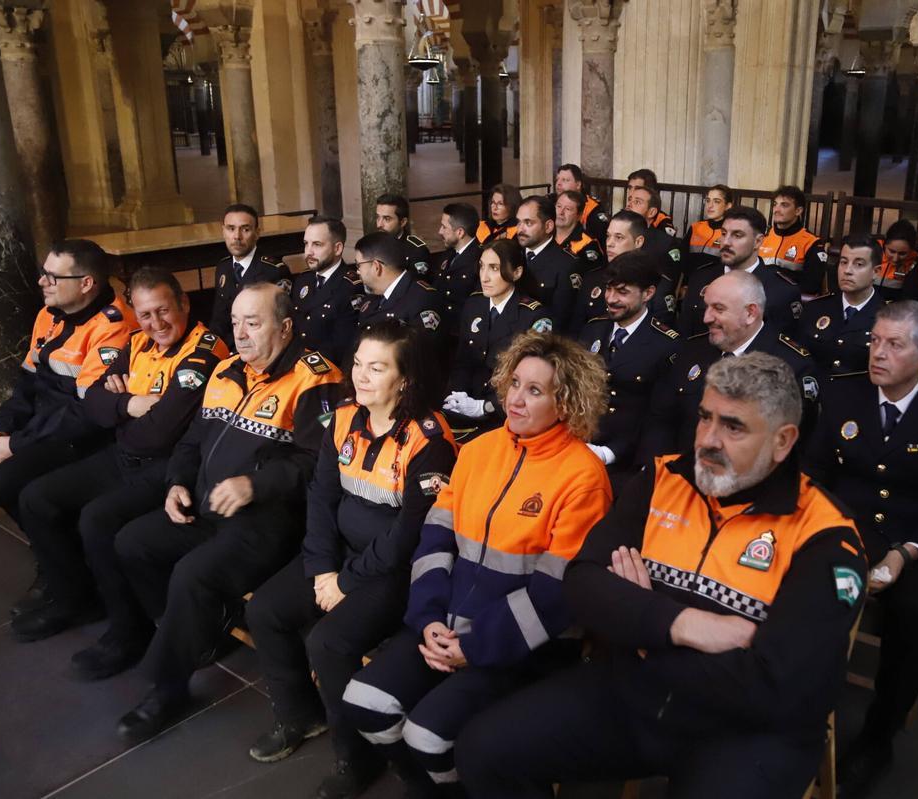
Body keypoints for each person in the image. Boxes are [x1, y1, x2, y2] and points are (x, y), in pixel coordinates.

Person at [456, 352, 867, 799]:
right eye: (705, 418)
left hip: (746, 733)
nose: (708, 440)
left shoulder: (826, 535)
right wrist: (680, 623)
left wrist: (641, 632)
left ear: (783, 441)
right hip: (632, 695)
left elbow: (778, 686)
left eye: (733, 427)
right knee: (483, 751)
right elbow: (583, 584)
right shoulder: (662, 478)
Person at [343, 331, 613, 797]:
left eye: (535, 390)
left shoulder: (584, 477)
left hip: (522, 648)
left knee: (427, 736)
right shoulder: (478, 450)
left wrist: (475, 646)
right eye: (515, 383)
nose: (516, 399)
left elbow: (556, 594)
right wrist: (428, 619)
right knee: (364, 703)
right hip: (445, 627)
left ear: (566, 403)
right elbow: (434, 540)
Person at [113, 282, 343, 743]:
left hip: (270, 522)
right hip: (209, 506)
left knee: (192, 575)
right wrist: (177, 482)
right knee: (132, 543)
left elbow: (318, 465)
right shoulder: (225, 370)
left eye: (253, 323)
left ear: (285, 327)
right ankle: (198, 633)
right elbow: (192, 441)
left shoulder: (315, 379)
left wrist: (255, 485)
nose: (239, 333)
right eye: (236, 322)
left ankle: (168, 687)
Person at [244, 322, 457, 799]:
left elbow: (407, 538)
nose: (360, 376)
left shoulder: (429, 440)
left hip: (396, 572)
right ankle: (299, 715)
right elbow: (321, 499)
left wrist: (344, 582)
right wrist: (323, 568)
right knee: (265, 610)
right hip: (338, 556)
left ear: (405, 379)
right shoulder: (343, 419)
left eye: (377, 368)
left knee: (328, 644)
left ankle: (356, 757)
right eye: (358, 364)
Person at [805, 300, 918, 799]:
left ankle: (879, 735)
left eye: (894, 345)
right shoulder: (842, 392)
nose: (878, 354)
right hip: (847, 525)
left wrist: (906, 553)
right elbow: (815, 473)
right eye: (874, 341)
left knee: (917, 619)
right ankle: (793, 703)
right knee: (795, 589)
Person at [12, 269, 228, 660]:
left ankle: (129, 630)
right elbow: (92, 402)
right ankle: (75, 599)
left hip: (168, 466)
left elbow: (161, 433)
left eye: (163, 310)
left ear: (183, 303)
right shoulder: (137, 342)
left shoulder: (205, 351)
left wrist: (120, 411)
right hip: (124, 454)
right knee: (37, 498)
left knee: (97, 519)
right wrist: (129, 404)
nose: (156, 323)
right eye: (145, 314)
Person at [0, 239, 136, 614]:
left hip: (82, 434)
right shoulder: (49, 314)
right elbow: (27, 382)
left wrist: (18, 445)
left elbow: (86, 412)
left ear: (86, 283)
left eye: (53, 276)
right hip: (39, 426)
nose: (41, 282)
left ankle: (64, 571)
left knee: (8, 478)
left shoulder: (113, 327)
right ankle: (52, 545)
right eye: (43, 273)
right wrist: (5, 428)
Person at [644, 270, 816, 460]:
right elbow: (661, 421)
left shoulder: (792, 366)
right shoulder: (691, 351)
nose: (706, 318)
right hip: (684, 469)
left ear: (750, 313)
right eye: (707, 307)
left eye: (718, 309)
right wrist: (663, 470)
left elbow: (791, 449)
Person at [577, 251, 681, 478]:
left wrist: (611, 452)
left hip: (627, 462)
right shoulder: (593, 329)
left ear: (648, 293)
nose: (611, 298)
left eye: (622, 292)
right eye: (609, 289)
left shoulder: (666, 345)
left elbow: (658, 419)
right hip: (579, 447)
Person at [444, 239, 552, 435]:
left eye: (494, 268)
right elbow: (463, 359)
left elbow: (533, 380)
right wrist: (458, 395)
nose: (484, 277)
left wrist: (486, 406)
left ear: (516, 273)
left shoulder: (533, 316)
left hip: (506, 413)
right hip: (467, 405)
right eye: (482, 266)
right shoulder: (474, 304)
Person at [678, 206, 803, 337]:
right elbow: (684, 334)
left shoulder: (781, 291)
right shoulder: (701, 277)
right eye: (724, 233)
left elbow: (782, 345)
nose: (726, 242)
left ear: (758, 241)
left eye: (737, 235)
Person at [571, 211, 677, 336]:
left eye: (619, 237)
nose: (609, 243)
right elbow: (576, 331)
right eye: (608, 236)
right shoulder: (592, 278)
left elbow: (659, 338)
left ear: (638, 242)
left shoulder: (657, 285)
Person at [799, 234, 889, 377]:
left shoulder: (888, 318)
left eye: (859, 264)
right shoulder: (815, 309)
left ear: (876, 272)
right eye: (843, 262)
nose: (847, 271)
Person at [209, 203, 293, 349]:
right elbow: (219, 320)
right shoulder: (223, 267)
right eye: (231, 229)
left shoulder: (273, 271)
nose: (237, 236)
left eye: (245, 229)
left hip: (258, 348)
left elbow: (277, 326)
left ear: (257, 233)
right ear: (223, 231)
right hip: (226, 347)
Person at [291, 215, 363, 367]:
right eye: (306, 244)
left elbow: (344, 346)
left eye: (317, 245)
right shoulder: (303, 280)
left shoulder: (351, 287)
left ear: (337, 248)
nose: (308, 252)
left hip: (328, 370)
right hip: (297, 365)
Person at [352, 232, 445, 349]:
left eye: (358, 265)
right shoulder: (371, 298)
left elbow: (420, 355)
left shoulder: (422, 300)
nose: (357, 271)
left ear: (376, 267)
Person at [515, 194, 581, 329]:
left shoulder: (566, 265)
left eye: (528, 223)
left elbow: (560, 320)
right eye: (518, 222)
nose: (520, 229)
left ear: (548, 226)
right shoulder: (512, 253)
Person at [758, 184, 829, 297]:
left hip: (790, 300)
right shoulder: (762, 237)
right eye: (775, 204)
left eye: (784, 205)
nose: (776, 210)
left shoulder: (811, 243)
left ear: (798, 211)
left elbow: (811, 286)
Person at [433, 203, 483, 334]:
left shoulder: (480, 259)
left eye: (444, 227)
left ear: (460, 232)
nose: (440, 231)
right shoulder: (449, 254)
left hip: (462, 330)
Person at [375, 193, 432, 278]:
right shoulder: (374, 244)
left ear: (402, 222)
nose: (379, 224)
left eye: (387, 219)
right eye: (378, 217)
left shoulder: (417, 251)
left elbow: (416, 284)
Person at [554, 163, 610, 241]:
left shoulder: (593, 209)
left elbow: (600, 241)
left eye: (565, 180)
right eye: (557, 179)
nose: (558, 184)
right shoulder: (551, 200)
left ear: (578, 185)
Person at [553, 189, 605, 269]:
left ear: (579, 216)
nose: (561, 212)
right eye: (559, 206)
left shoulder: (588, 244)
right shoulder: (545, 234)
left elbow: (595, 275)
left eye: (568, 209)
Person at [684, 183, 733, 256]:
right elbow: (680, 255)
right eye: (708, 200)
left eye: (716, 201)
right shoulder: (695, 227)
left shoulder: (732, 232)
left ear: (728, 206)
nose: (710, 205)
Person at [877, 219, 918, 299]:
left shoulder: (917, 262)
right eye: (891, 251)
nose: (895, 259)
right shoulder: (871, 253)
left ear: (911, 250)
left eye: (902, 254)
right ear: (884, 244)